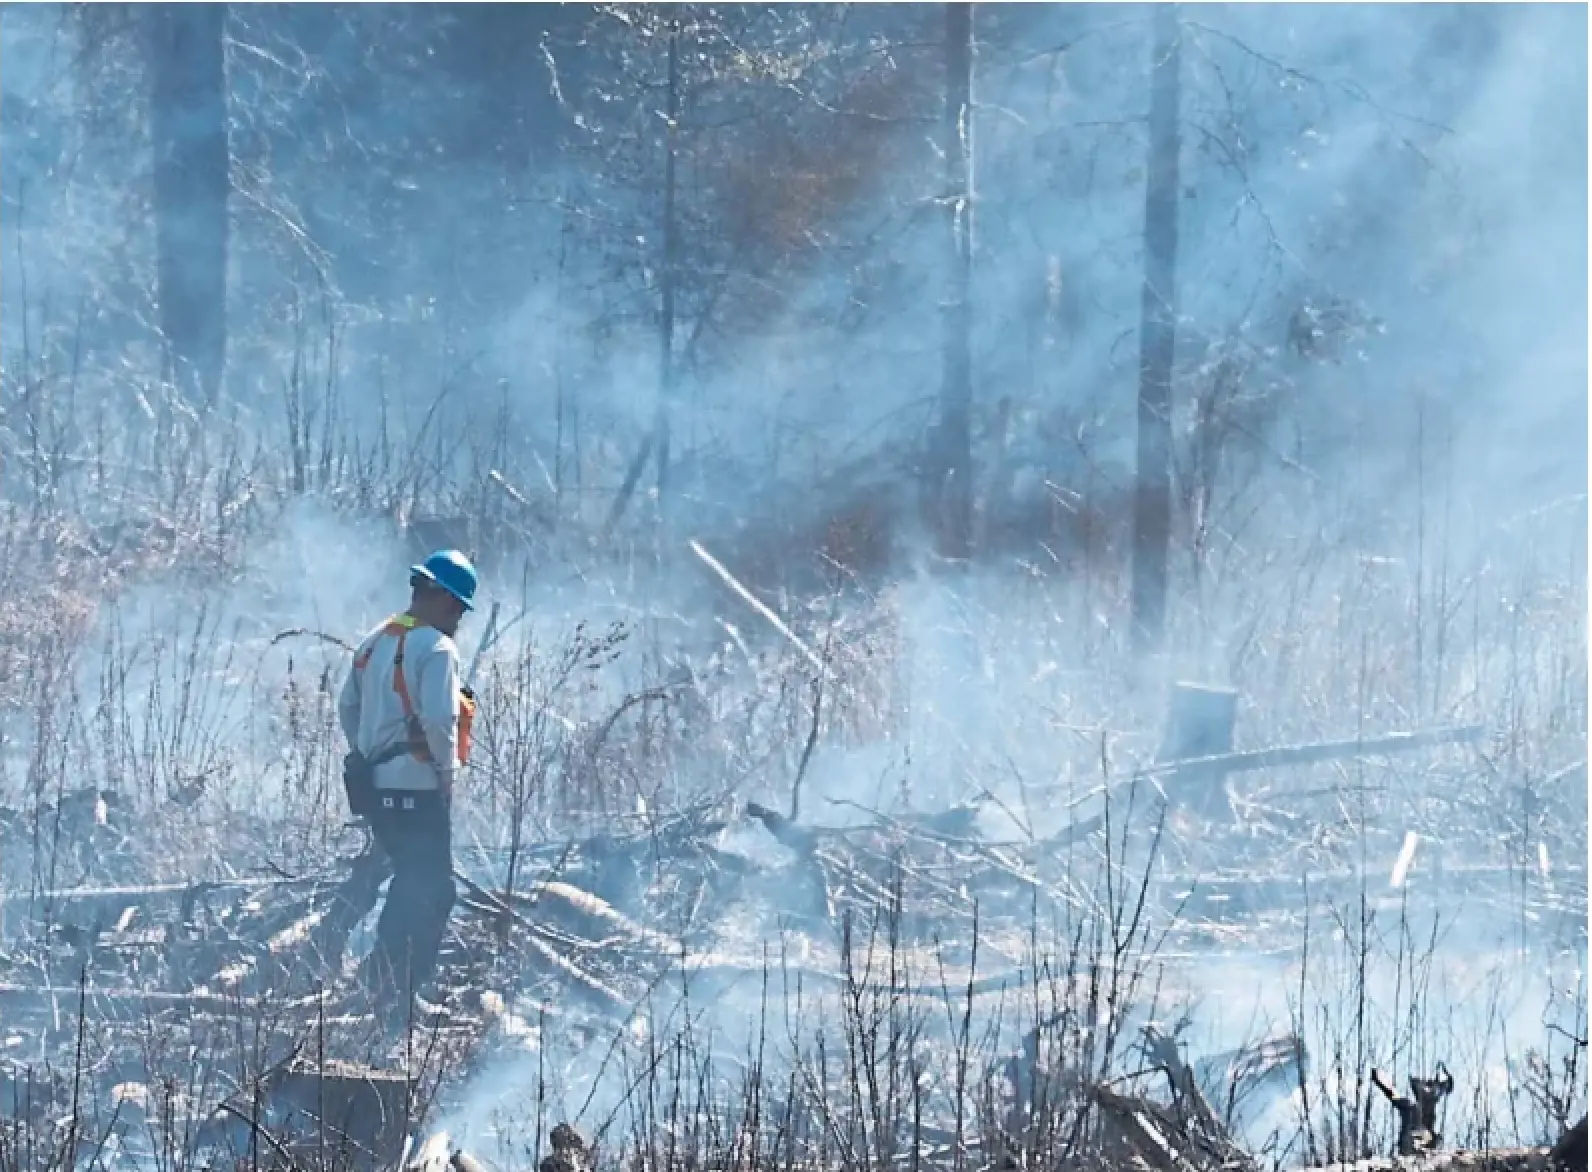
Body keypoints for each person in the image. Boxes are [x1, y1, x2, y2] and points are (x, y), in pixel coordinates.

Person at [338, 549, 478, 1024]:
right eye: (456, 606)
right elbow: (441, 721)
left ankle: (382, 988)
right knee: (435, 892)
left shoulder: (374, 640)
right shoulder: (437, 649)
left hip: (377, 790)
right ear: (435, 595)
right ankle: (395, 996)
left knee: (410, 883)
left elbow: (347, 710)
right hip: (417, 789)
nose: (457, 618)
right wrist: (445, 778)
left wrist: (371, 751)